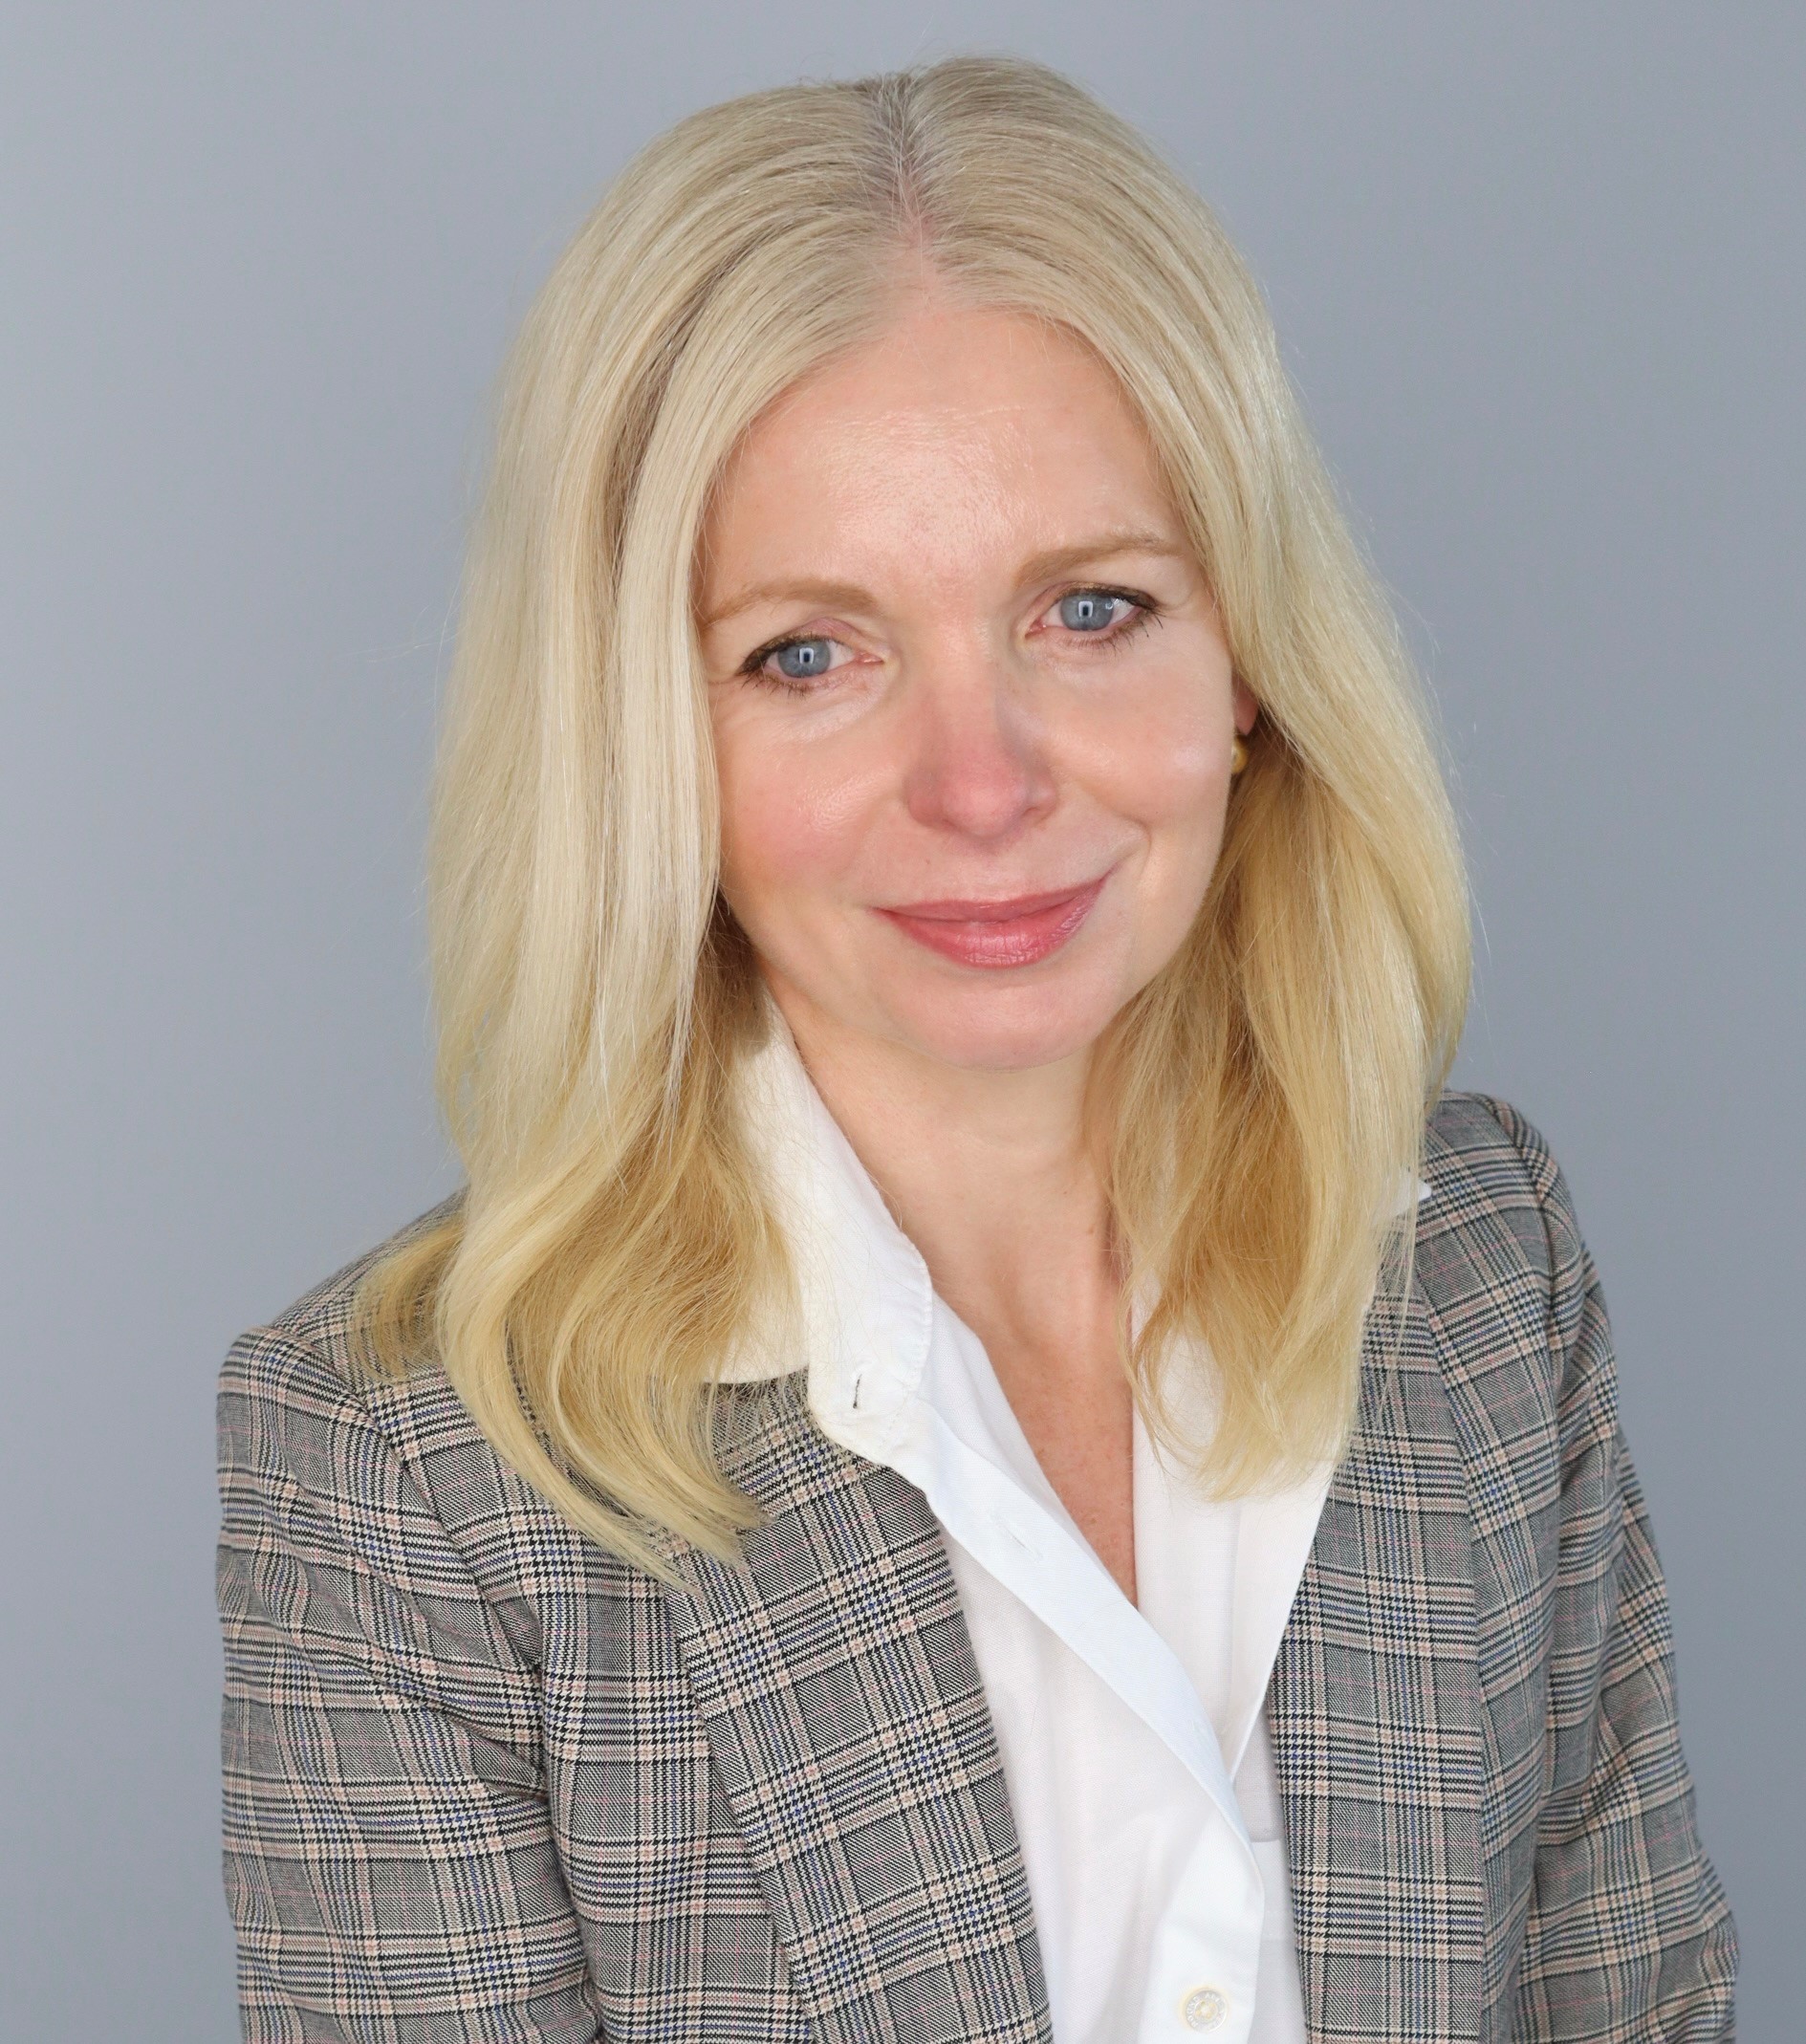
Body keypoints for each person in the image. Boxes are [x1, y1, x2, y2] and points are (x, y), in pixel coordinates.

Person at [216, 55, 1734, 2044]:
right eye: (810, 654)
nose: (982, 780)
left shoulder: (1478, 1267)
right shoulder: (413, 1469)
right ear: (647, 740)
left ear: (1250, 663)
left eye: (1091, 609)